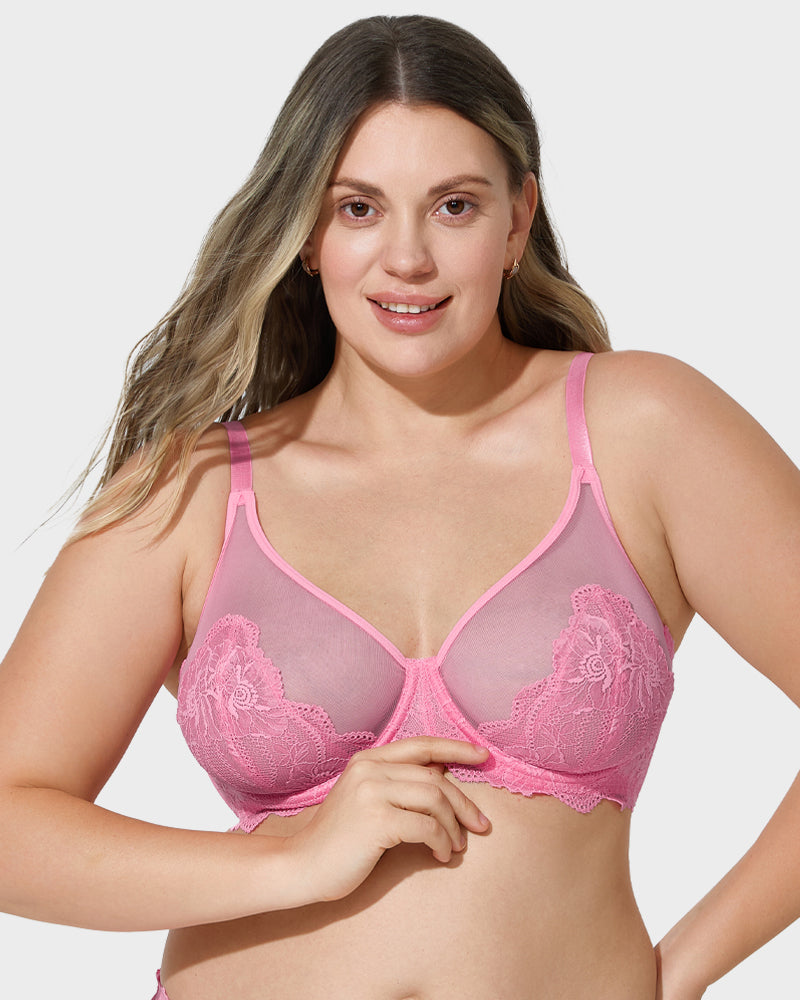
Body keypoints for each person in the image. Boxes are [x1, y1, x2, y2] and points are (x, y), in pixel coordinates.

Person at [0, 13, 798, 1000]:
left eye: (454, 206)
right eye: (359, 209)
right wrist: (289, 862)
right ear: (305, 233)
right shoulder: (194, 490)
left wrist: (677, 973)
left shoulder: (642, 428)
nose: (407, 258)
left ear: (517, 220)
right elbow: (11, 820)